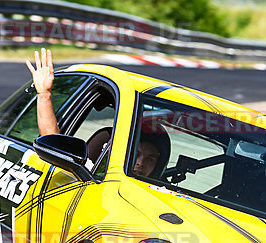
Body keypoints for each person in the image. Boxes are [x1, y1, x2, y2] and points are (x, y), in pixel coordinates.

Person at [26, 48, 166, 178]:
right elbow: (52, 142)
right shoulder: (88, 171)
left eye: (150, 159)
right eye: (136, 154)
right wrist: (44, 94)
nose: (140, 163)